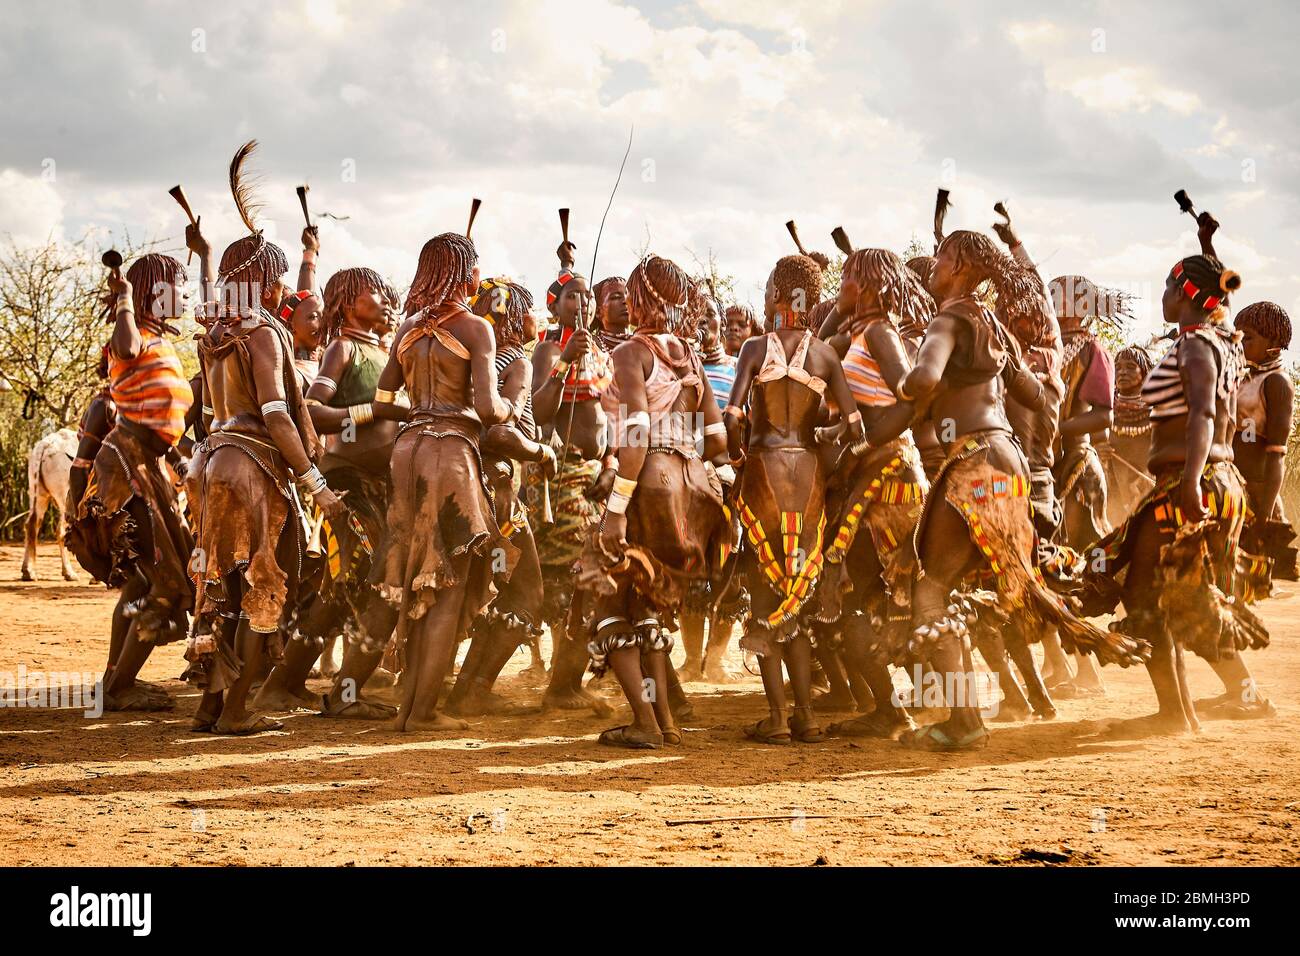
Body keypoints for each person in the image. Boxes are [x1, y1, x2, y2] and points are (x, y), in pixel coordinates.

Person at [898, 230, 1143, 751]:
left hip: (971, 462)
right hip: (1008, 459)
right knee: (972, 588)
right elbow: (1038, 394)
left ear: (959, 262)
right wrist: (1041, 459)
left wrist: (904, 387)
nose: (935, 267)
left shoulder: (947, 320)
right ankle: (972, 712)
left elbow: (922, 378)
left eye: (941, 257)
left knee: (931, 589)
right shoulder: (994, 327)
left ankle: (963, 722)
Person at [1079, 214, 1266, 736]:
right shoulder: (1219, 340)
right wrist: (1207, 245)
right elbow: (1221, 294)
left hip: (1193, 483)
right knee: (1174, 598)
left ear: (1184, 294)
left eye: (1167, 284)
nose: (1161, 293)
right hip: (1209, 482)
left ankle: (1174, 716)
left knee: (1143, 597)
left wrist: (1188, 481)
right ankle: (1179, 713)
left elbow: (1204, 415)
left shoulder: (1198, 347)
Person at [184, 140, 344, 735]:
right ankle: (236, 710)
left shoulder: (214, 330)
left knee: (218, 581)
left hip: (210, 463)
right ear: (262, 280)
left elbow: (206, 298)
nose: (284, 288)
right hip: (251, 464)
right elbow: (277, 414)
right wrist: (316, 483)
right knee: (265, 582)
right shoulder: (263, 334)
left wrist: (200, 255)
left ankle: (209, 704)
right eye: (277, 277)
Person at [578, 254, 734, 748]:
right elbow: (715, 433)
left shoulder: (631, 352)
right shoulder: (688, 353)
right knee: (648, 602)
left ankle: (645, 724)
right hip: (692, 487)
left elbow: (638, 433)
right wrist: (720, 493)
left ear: (643, 296)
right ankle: (664, 722)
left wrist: (616, 509)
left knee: (606, 594)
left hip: (651, 481)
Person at [372, 232, 517, 732]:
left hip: (407, 451)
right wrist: (509, 409)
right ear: (467, 275)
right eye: (476, 269)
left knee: (416, 576)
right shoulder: (477, 328)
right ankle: (422, 714)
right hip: (450, 454)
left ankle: (407, 710)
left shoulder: (407, 327)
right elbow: (486, 408)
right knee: (447, 585)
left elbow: (383, 397)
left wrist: (423, 405)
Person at [253, 265, 405, 719]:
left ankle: (288, 685)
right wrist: (369, 412)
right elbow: (312, 410)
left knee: (345, 588)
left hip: (380, 487)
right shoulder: (342, 348)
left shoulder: (382, 350)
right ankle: (333, 692)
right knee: (367, 584)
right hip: (347, 483)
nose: (382, 297)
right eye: (372, 292)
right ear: (347, 301)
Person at [725, 253, 864, 744]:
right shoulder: (826, 355)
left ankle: (778, 719)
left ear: (779, 296)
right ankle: (806, 716)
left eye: (767, 293)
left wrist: (736, 456)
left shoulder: (753, 349)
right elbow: (853, 425)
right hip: (806, 477)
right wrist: (819, 442)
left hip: (764, 471)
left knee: (764, 591)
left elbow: (734, 415)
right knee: (797, 595)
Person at [65, 255, 195, 712]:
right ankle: (119, 686)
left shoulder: (159, 341)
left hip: (152, 466)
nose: (186, 293)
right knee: (159, 579)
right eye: (178, 285)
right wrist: (123, 301)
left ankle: (114, 680)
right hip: (128, 465)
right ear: (154, 290)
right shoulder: (132, 336)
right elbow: (122, 348)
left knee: (141, 581)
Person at [814, 249, 933, 740]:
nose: (839, 286)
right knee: (863, 592)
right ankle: (893, 708)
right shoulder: (858, 332)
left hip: (890, 477)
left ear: (863, 285)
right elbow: (815, 349)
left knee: (904, 591)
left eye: (845, 279)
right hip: (866, 475)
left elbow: (916, 397)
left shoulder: (882, 333)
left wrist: (867, 439)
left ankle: (945, 707)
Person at [447, 276, 558, 716]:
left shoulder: (470, 358)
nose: (537, 318)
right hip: (498, 491)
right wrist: (539, 451)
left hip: (462, 482)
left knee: (472, 590)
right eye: (530, 307)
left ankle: (461, 687)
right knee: (527, 593)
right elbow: (499, 430)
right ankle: (469, 692)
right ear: (514, 314)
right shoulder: (516, 361)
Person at [529, 258, 615, 712]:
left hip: (598, 477)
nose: (582, 301)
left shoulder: (601, 353)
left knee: (592, 578)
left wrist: (612, 465)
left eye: (587, 294)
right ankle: (559, 687)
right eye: (572, 295)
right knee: (572, 580)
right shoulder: (547, 349)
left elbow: (615, 417)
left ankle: (567, 683)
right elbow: (540, 412)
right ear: (555, 305)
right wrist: (564, 362)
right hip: (563, 474)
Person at [679, 290, 740, 683]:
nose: (705, 324)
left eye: (711, 316)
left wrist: (731, 468)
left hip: (730, 479)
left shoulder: (738, 368)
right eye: (696, 317)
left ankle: (716, 658)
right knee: (691, 569)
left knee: (728, 570)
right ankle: (689, 659)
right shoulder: (682, 369)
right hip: (687, 479)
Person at [1099, 344, 1157, 528]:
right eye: (1118, 368)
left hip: (1151, 492)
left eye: (1131, 367)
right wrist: (1098, 453)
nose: (1122, 372)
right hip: (1112, 494)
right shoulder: (1102, 412)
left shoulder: (1158, 412)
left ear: (1145, 373)